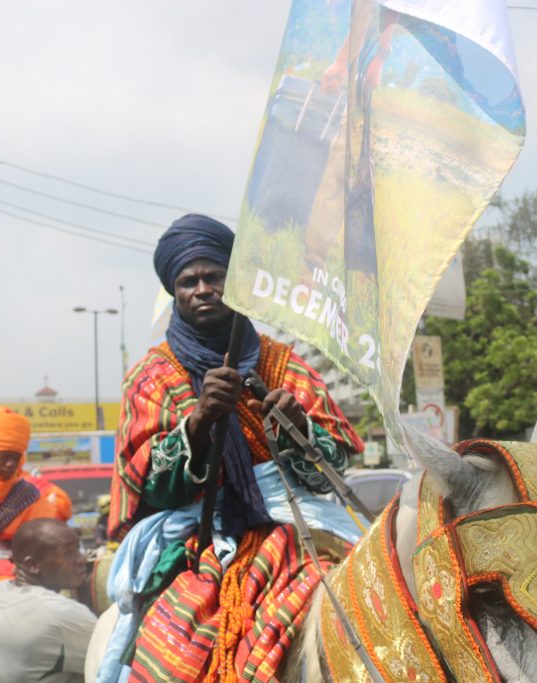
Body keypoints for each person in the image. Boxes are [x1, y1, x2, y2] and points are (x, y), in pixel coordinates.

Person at [105, 214, 364, 681]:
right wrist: (200, 421)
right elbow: (150, 488)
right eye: (188, 281)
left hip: (300, 520)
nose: (202, 289)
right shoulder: (151, 377)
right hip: (195, 532)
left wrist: (296, 426)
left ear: (234, 283)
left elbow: (335, 465)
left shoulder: (284, 364)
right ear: (175, 292)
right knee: (175, 647)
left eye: (214, 277)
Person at [0, 518, 97, 682]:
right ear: (32, 565)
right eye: (69, 553)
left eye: (78, 549)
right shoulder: (60, 613)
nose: (82, 559)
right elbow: (114, 662)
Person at [0, 407, 65, 610]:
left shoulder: (29, 495)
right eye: (3, 456)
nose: (10, 464)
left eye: (16, 457)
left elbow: (41, 544)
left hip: (9, 575)